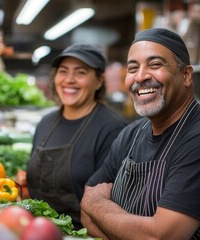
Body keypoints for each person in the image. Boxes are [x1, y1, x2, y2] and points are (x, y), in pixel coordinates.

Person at [80, 28, 200, 240]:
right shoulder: (130, 135)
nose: (140, 77)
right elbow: (85, 213)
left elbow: (161, 237)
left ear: (186, 75)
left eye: (155, 64)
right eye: (133, 68)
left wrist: (96, 203)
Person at [26, 43, 127, 229]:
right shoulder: (45, 123)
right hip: (37, 230)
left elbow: (111, 204)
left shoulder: (112, 129)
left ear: (99, 81)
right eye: (63, 71)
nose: (69, 79)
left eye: (80, 72)